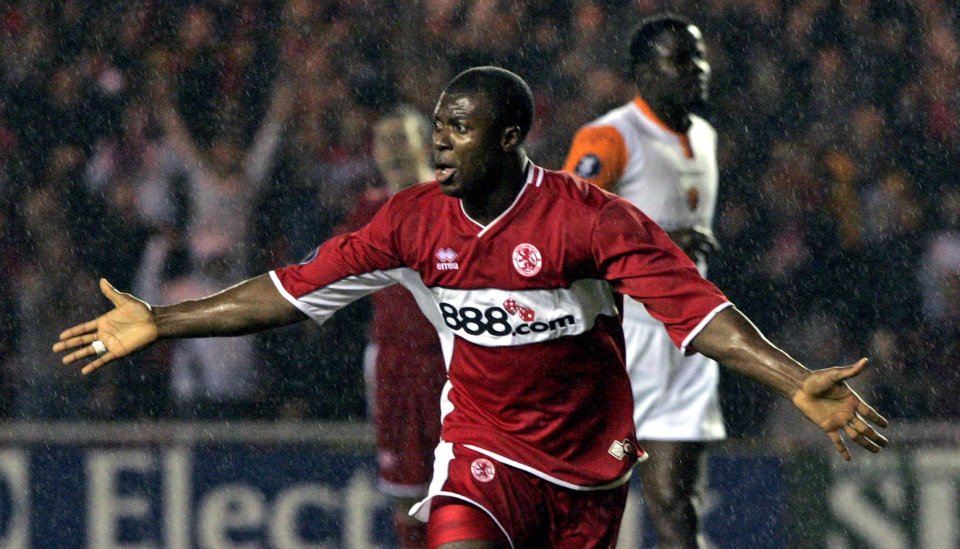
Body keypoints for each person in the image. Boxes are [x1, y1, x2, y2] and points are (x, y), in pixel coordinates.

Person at [54, 66, 889, 549]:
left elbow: (699, 312)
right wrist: (164, 320)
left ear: (510, 137)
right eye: (440, 126)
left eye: (459, 127)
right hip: (481, 452)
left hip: (586, 467)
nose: (441, 142)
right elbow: (288, 291)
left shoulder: (588, 221)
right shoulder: (412, 222)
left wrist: (791, 379)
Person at [562, 14, 721, 547]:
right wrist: (662, 237)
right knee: (588, 502)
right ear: (642, 73)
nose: (696, 69)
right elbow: (563, 231)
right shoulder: (610, 137)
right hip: (626, 342)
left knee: (679, 505)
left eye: (698, 56)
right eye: (680, 59)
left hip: (690, 343)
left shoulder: (704, 135)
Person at [335, 106, 447, 548]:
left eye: (401, 138)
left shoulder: (459, 201)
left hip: (457, 359)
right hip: (395, 362)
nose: (391, 150)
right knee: (406, 491)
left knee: (468, 488)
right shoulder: (367, 211)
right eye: (383, 141)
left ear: (427, 143)